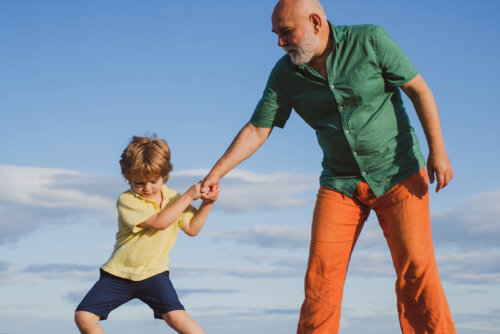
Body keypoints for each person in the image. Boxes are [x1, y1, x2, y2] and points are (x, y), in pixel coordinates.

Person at [200, 0, 456, 333]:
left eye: (287, 32)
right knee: (320, 280)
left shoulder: (370, 41)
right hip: (339, 183)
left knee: (417, 271)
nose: (279, 42)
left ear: (316, 23)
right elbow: (257, 128)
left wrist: (439, 151)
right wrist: (215, 173)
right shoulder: (285, 74)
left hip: (399, 172)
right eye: (276, 34)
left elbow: (419, 90)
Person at [74, 135, 219, 334]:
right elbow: (159, 223)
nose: (147, 188)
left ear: (164, 175)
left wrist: (207, 203)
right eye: (139, 183)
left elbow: (192, 229)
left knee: (176, 316)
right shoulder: (127, 200)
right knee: (84, 316)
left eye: (153, 181)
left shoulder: (173, 198)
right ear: (128, 178)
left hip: (154, 273)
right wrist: (189, 196)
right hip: (118, 274)